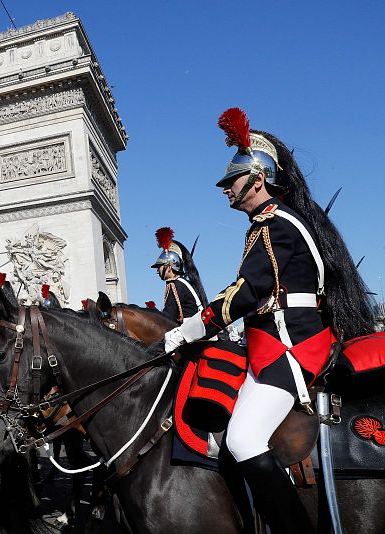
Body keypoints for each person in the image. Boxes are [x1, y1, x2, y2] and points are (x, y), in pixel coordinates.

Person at [160, 108, 375, 533]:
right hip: (270, 344)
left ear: (257, 179)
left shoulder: (277, 225)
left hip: (291, 346)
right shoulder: (266, 225)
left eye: (231, 182)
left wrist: (190, 329)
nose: (225, 190)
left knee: (242, 439)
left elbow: (248, 292)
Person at [151, 227, 208, 323]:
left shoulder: (176, 284)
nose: (157, 271)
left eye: (159, 267)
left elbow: (168, 318)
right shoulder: (181, 283)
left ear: (169, 266)